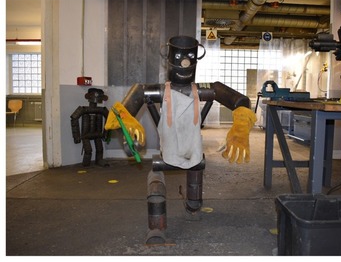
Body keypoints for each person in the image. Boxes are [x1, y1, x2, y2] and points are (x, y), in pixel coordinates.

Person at [105, 35, 256, 245]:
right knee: (156, 179)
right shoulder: (154, 89)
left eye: (189, 57)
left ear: (196, 58)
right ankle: (156, 228)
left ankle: (193, 206)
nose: (184, 62)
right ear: (169, 58)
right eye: (179, 56)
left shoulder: (206, 88)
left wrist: (241, 121)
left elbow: (240, 100)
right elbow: (125, 107)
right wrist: (127, 127)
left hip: (192, 150)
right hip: (167, 151)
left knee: (196, 166)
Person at [70, 87, 110, 167]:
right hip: (86, 134)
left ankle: (99, 160)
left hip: (97, 133)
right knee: (88, 150)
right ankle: (86, 164)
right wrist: (76, 136)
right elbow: (74, 118)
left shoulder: (102, 110)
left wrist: (106, 133)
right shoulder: (84, 109)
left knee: (100, 149)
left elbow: (109, 119)